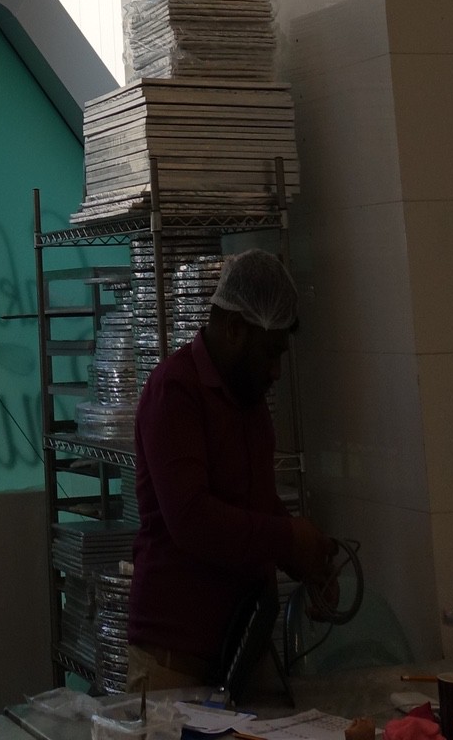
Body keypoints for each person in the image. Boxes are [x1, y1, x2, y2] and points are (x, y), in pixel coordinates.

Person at [127, 248, 335, 691]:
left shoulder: (247, 397)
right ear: (234, 328)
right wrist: (287, 537)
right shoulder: (175, 390)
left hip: (243, 643)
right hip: (177, 654)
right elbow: (192, 519)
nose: (276, 371)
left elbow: (253, 502)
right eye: (270, 353)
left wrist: (308, 562)